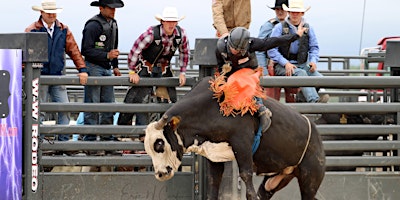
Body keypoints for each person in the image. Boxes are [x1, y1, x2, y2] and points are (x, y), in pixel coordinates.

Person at [215, 26, 305, 132]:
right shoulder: (220, 47)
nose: (235, 51)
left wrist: (296, 35)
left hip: (248, 70)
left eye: (239, 50)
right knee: (225, 86)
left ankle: (261, 109)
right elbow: (220, 65)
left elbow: (274, 41)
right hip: (231, 71)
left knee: (244, 82)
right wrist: (222, 77)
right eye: (233, 48)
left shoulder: (252, 43)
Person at [25, 0, 88, 142]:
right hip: (39, 76)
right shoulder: (34, 30)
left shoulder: (62, 29)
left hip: (55, 75)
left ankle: (62, 141)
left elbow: (73, 50)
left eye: (54, 12)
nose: (52, 15)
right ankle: (39, 141)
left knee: (62, 108)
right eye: (49, 12)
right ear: (42, 13)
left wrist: (82, 69)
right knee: (39, 111)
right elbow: (25, 54)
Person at [117, 7, 189, 128]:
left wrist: (182, 72)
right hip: (146, 66)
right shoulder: (151, 34)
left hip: (164, 68)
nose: (171, 24)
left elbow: (184, 53)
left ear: (177, 23)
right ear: (162, 22)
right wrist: (132, 71)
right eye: (168, 21)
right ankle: (137, 131)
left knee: (169, 100)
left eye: (174, 21)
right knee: (137, 98)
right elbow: (135, 50)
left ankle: (165, 131)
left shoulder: (181, 35)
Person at [267, 0, 329, 103]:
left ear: (302, 13)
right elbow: (271, 49)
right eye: (292, 12)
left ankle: (302, 97)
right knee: (301, 73)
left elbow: (314, 47)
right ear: (289, 12)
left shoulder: (308, 28)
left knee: (320, 79)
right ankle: (314, 101)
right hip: (281, 66)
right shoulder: (279, 28)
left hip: (303, 64)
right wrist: (285, 63)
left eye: (297, 12)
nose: (294, 14)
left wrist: (313, 61)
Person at [81, 0, 123, 142]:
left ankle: (106, 136)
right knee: (93, 104)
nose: (113, 11)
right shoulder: (93, 25)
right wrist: (107, 56)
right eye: (110, 8)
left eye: (114, 8)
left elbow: (114, 47)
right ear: (101, 8)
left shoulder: (113, 24)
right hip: (94, 67)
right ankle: (90, 139)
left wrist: (115, 65)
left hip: (105, 67)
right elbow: (86, 50)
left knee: (108, 104)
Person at [256, 0, 299, 102]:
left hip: (288, 65)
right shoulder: (269, 26)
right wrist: (264, 71)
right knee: (272, 100)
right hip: (271, 67)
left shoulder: (294, 26)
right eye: (277, 9)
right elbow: (259, 49)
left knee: (293, 96)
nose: (280, 12)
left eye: (282, 9)